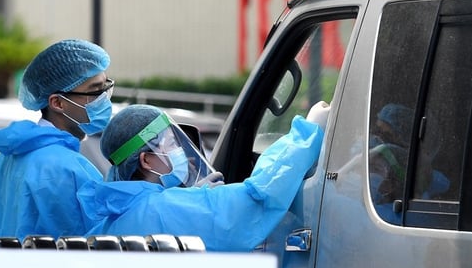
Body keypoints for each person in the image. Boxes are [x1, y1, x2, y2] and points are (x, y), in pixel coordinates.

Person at [78, 102, 329, 251]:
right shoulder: (166, 208)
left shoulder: (113, 220)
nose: (181, 152)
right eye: (170, 144)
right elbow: (259, 198)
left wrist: (193, 197)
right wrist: (307, 133)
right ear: (145, 160)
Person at [0, 39, 113, 240]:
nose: (103, 98)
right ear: (58, 103)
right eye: (95, 91)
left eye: (106, 87)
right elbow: (90, 244)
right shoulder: (67, 167)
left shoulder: (9, 157)